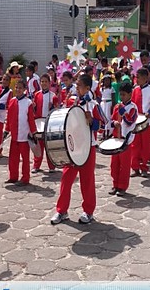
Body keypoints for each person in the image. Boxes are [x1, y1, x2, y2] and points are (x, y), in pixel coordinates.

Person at [51, 75, 104, 225]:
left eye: (79, 85)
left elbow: (100, 127)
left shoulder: (93, 105)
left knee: (87, 181)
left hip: (88, 147)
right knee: (66, 179)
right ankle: (62, 211)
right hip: (72, 147)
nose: (76, 88)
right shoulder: (72, 102)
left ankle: (88, 211)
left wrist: (91, 120)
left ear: (87, 88)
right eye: (76, 85)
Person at [4, 79, 37, 186]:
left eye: (20, 88)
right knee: (13, 158)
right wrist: (6, 130)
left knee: (25, 159)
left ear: (24, 90)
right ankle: (13, 177)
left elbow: (31, 119)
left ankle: (25, 178)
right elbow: (9, 118)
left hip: (24, 135)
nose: (18, 89)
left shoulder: (28, 103)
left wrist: (34, 132)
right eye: (16, 87)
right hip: (14, 135)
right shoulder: (12, 101)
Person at [109, 82, 138, 197]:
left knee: (124, 165)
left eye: (124, 95)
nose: (122, 97)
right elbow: (111, 120)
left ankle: (122, 186)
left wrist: (124, 113)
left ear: (130, 94)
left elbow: (131, 121)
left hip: (126, 140)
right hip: (116, 139)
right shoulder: (117, 106)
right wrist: (114, 123)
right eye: (120, 95)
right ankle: (115, 183)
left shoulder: (133, 107)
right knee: (114, 164)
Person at [130, 68, 150, 177]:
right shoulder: (135, 90)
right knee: (135, 145)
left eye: (139, 77)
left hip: (147, 122)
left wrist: (149, 113)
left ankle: (144, 167)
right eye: (136, 77)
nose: (137, 79)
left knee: (145, 145)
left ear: (145, 78)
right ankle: (135, 167)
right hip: (136, 122)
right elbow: (132, 104)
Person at [32, 74, 59, 173]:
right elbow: (34, 110)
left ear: (49, 83)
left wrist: (52, 107)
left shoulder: (53, 96)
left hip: (49, 122)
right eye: (42, 81)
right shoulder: (36, 95)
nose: (44, 83)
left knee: (49, 145)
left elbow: (57, 110)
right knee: (38, 145)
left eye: (46, 81)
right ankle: (36, 165)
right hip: (39, 122)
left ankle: (51, 166)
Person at [99, 74, 115, 139]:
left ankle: (108, 133)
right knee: (103, 118)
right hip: (103, 104)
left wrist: (113, 107)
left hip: (109, 104)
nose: (107, 82)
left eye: (108, 81)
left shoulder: (112, 89)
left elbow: (113, 99)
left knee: (108, 118)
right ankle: (103, 133)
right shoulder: (101, 89)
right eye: (105, 81)